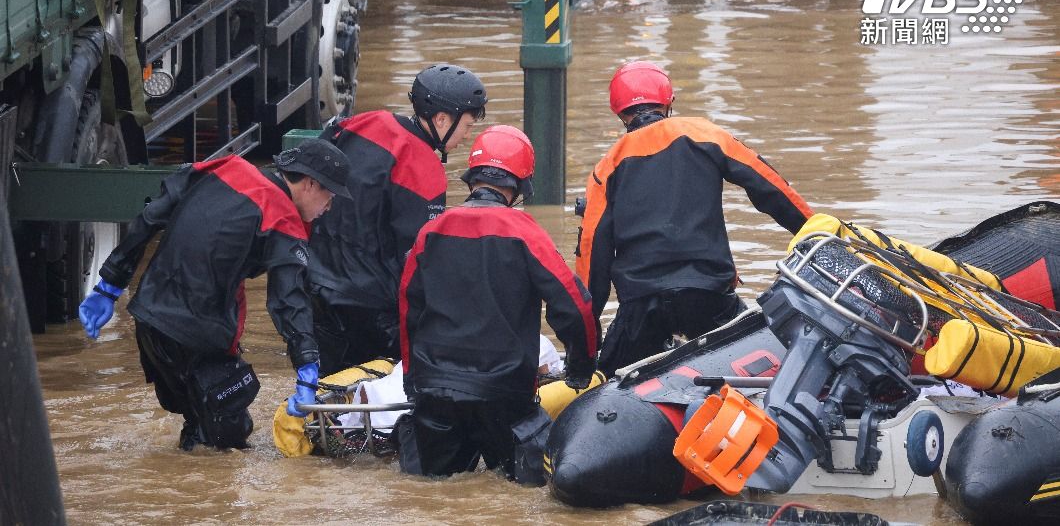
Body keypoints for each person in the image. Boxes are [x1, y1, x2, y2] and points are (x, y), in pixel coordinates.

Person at [78, 140, 352, 451]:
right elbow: (288, 300)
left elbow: (151, 216)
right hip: (199, 338)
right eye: (329, 197)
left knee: (197, 426)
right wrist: (307, 366)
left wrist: (109, 286)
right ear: (310, 183)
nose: (328, 208)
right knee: (225, 445)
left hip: (149, 323)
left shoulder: (225, 167)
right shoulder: (281, 218)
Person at [576, 61, 814, 377]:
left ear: (618, 113)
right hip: (708, 293)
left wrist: (585, 344)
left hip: (641, 304)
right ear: (668, 103)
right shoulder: (705, 134)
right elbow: (771, 188)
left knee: (606, 383)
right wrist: (816, 233)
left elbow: (592, 256)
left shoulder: (606, 167)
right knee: (766, 369)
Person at [396, 125, 599, 485]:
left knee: (431, 493)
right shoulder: (524, 232)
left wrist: (413, 379)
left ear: (473, 178)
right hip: (503, 394)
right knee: (520, 493)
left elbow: (408, 308)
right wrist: (581, 367)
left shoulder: (432, 231)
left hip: (436, 390)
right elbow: (574, 304)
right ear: (519, 185)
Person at [308, 63, 488, 375]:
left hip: (317, 286)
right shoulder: (424, 169)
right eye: (468, 126)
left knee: (327, 394)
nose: (467, 137)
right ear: (442, 119)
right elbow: (420, 257)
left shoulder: (365, 122)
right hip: (370, 306)